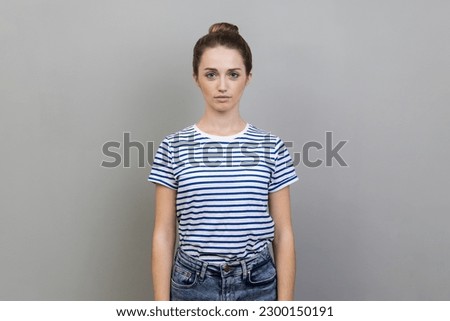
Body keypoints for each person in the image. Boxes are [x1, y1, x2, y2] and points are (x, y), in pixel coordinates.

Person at [148, 22, 298, 301]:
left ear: (248, 77)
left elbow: (284, 233)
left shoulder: (271, 147)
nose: (222, 86)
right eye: (211, 74)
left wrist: (285, 307)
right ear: (196, 77)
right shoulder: (172, 147)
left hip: (257, 283)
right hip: (193, 284)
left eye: (233, 74)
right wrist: (160, 307)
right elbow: (164, 233)